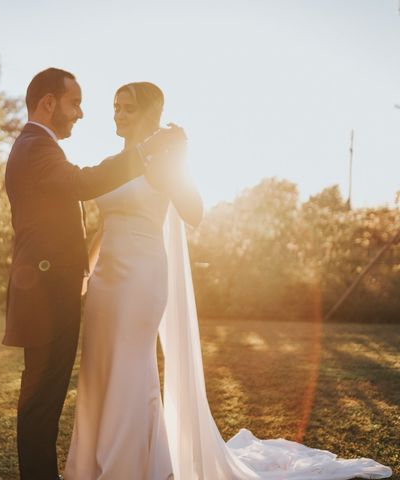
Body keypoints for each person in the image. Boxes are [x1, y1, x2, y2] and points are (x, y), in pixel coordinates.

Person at [63, 81, 393, 480]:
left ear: (150, 114)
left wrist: (166, 168)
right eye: (115, 106)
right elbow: (103, 226)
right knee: (98, 367)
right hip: (105, 281)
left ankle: (131, 466)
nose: (117, 114)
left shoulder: (162, 161)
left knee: (132, 367)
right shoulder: (112, 163)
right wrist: (86, 271)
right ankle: (91, 463)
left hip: (141, 277)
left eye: (127, 108)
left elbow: (195, 211)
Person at [3, 68, 187, 480]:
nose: (82, 114)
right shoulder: (36, 147)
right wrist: (146, 151)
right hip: (47, 294)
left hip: (119, 279)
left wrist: (85, 272)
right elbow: (83, 183)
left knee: (55, 394)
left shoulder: (38, 146)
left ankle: (122, 461)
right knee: (42, 400)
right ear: (49, 103)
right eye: (75, 103)